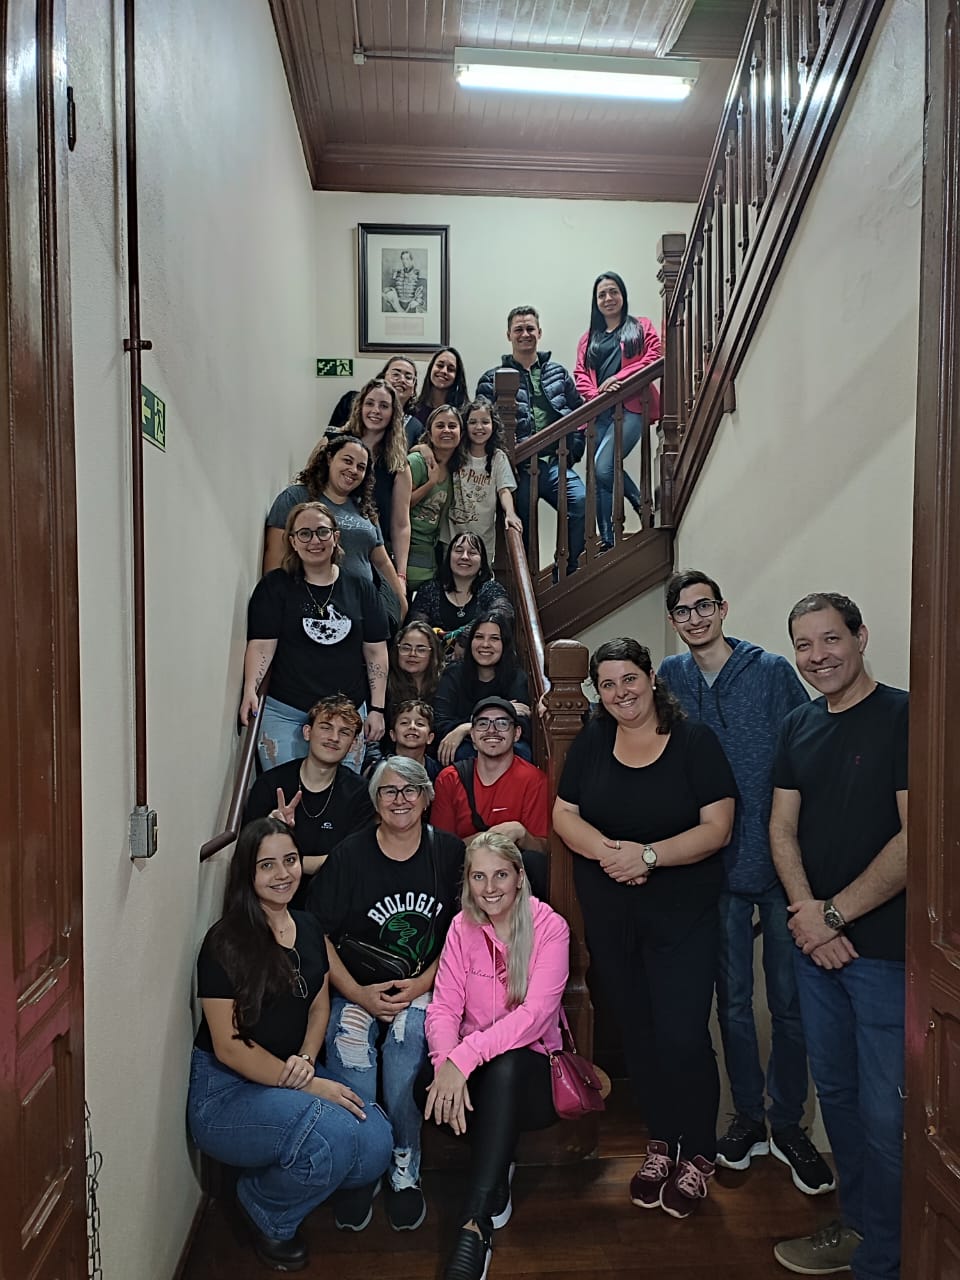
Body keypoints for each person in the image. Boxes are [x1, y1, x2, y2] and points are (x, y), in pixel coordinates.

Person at [552, 637, 736, 1220]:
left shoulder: (694, 742)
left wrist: (649, 856)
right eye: (607, 684)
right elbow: (564, 813)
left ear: (652, 678)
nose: (620, 693)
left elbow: (717, 828)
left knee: (682, 1036)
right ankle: (661, 1143)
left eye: (629, 679)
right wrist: (613, 855)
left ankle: (698, 1151)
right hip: (613, 918)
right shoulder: (593, 741)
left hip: (682, 917)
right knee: (639, 1034)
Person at [658, 571, 829, 1195]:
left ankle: (789, 1123)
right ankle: (749, 1118)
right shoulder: (670, 677)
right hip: (714, 869)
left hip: (781, 863)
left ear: (723, 608)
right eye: (684, 610)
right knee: (730, 1003)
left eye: (704, 605)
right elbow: (630, 722)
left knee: (788, 1002)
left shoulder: (772, 671)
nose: (696, 617)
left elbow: (806, 748)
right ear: (674, 620)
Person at [769, 593, 907, 1280]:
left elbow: (917, 840)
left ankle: (890, 1257)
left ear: (860, 637)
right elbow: (781, 827)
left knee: (888, 1119)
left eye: (830, 639)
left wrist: (833, 916)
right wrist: (808, 916)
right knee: (841, 1101)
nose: (817, 656)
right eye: (804, 644)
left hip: (886, 957)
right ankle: (859, 1230)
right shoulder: (798, 725)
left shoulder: (906, 717)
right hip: (816, 952)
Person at [187, 817, 393, 1272]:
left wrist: (305, 1058)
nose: (283, 874)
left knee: (376, 1143)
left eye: (291, 860)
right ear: (247, 873)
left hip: (289, 1072)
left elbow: (319, 1007)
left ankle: (277, 1166)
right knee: (333, 1137)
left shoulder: (309, 925)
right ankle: (264, 1208)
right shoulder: (224, 941)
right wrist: (309, 1084)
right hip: (226, 1091)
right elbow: (229, 1047)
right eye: (267, 865)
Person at [307, 757, 465, 1232]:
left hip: (423, 984)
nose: (400, 800)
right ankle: (361, 1164)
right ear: (375, 802)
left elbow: (464, 932)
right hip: (357, 986)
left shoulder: (449, 852)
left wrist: (421, 984)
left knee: (406, 1042)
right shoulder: (350, 855)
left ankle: (404, 1162)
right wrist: (357, 993)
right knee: (350, 1046)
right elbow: (317, 935)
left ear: (426, 798)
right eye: (389, 791)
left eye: (410, 790)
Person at [424, 832, 568, 1280]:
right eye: (479, 876)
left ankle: (474, 1225)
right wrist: (444, 1064)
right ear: (467, 881)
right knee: (421, 1087)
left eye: (501, 875)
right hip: (476, 1074)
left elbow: (535, 1017)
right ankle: (497, 1168)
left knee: (506, 1068)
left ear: (520, 876)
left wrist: (463, 1058)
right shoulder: (460, 927)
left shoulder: (550, 927)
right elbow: (444, 1008)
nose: (490, 888)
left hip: (533, 1077)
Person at [240, 502, 389, 770]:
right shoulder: (274, 587)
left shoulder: (361, 588)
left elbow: (376, 652)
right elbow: (262, 645)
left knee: (339, 790)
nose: (314, 541)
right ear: (293, 541)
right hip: (286, 711)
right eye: (304, 534)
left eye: (322, 532)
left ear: (336, 536)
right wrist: (251, 688)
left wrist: (377, 709)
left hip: (345, 713)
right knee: (284, 788)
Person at [476, 306, 586, 574]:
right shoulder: (492, 378)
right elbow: (479, 424)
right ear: (508, 335)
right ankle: (526, 585)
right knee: (519, 528)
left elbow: (579, 414)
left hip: (555, 464)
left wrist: (573, 452)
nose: (525, 334)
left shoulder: (558, 372)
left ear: (539, 332)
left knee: (581, 503)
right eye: (518, 329)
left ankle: (567, 571)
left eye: (530, 328)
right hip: (518, 469)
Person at [243, 696, 375, 906]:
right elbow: (248, 854)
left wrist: (289, 862)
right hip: (272, 901)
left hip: (333, 902)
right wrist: (270, 829)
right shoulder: (271, 784)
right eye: (326, 727)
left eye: (344, 732)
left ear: (352, 745)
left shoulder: (361, 794)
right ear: (307, 732)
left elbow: (352, 860)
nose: (334, 738)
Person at [262, 434, 406, 619]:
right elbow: (275, 554)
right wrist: (274, 601)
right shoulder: (296, 497)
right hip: (313, 605)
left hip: (361, 609)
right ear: (329, 458)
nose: (353, 470)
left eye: (361, 467)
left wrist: (401, 602)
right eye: (347, 461)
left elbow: (382, 561)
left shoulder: (365, 509)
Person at [573, 272, 663, 549]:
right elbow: (580, 374)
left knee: (603, 467)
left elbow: (655, 356)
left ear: (623, 295)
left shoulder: (641, 326)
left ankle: (641, 505)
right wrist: (597, 396)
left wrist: (620, 379)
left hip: (632, 407)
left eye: (613, 291)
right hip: (599, 413)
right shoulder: (588, 338)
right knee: (600, 476)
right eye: (602, 294)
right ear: (596, 301)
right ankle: (608, 539)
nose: (608, 298)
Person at [431, 695, 549, 898]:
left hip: (515, 884)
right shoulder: (450, 778)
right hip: (464, 880)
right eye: (483, 724)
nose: (492, 730)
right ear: (473, 736)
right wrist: (492, 837)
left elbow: (543, 850)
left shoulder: (534, 779)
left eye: (502, 723)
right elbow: (442, 851)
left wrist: (522, 834)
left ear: (517, 733)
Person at [339, 377, 414, 586]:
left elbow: (401, 524)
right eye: (370, 403)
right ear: (360, 406)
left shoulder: (399, 465)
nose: (375, 411)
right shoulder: (332, 445)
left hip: (374, 558)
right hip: (330, 550)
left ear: (393, 414)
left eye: (384, 406)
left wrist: (400, 575)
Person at [433, 612, 531, 765]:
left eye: (494, 638)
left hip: (501, 742)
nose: (485, 644)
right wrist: (467, 727)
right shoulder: (453, 674)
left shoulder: (516, 677)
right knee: (460, 752)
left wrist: (467, 727)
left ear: (504, 644)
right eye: (479, 637)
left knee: (521, 751)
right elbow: (440, 723)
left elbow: (521, 724)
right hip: (465, 745)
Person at [406, 532, 512, 657]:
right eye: (459, 551)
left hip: (479, 661)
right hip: (435, 662)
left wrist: (465, 638)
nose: (465, 557)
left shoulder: (490, 589)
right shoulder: (430, 590)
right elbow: (417, 627)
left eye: (472, 553)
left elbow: (504, 613)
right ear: (449, 557)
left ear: (482, 561)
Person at [446, 398, 523, 565]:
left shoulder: (497, 457)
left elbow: (504, 490)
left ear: (493, 425)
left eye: (485, 422)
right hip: (451, 535)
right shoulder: (456, 453)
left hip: (482, 538)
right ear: (465, 425)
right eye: (473, 422)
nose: (479, 427)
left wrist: (510, 513)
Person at [407, 405, 464, 589]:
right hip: (405, 547)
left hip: (430, 553)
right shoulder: (417, 462)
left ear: (461, 434)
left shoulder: (457, 472)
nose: (446, 430)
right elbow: (400, 505)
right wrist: (430, 483)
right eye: (440, 426)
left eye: (452, 426)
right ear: (430, 434)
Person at [328, 354, 419, 436]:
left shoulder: (415, 425)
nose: (402, 380)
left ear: (413, 389)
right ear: (382, 378)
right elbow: (326, 440)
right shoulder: (351, 401)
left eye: (408, 377)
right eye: (395, 374)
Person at [387, 620, 443, 717]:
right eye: (406, 648)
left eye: (421, 650)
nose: (412, 654)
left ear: (432, 654)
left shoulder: (445, 683)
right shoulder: (385, 685)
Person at [410, 347, 470, 427]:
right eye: (440, 365)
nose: (444, 371)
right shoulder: (412, 409)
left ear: (457, 376)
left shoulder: (465, 413)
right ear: (431, 368)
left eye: (450, 369)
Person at [383, 249, 426, 313]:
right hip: (397, 305)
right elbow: (389, 287)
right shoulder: (397, 273)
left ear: (411, 260)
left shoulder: (418, 273)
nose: (404, 261)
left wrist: (418, 301)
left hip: (412, 306)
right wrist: (388, 291)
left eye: (407, 259)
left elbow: (423, 293)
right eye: (403, 259)